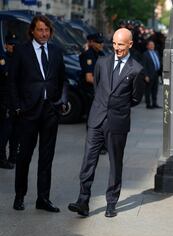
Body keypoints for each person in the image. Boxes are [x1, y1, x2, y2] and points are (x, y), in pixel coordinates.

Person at [68, 28, 145, 218]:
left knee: (115, 163)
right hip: (96, 118)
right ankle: (83, 200)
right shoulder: (102, 62)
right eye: (114, 43)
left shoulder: (137, 69)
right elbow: (98, 86)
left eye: (121, 44)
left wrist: (118, 107)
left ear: (130, 44)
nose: (117, 48)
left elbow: (136, 98)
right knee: (88, 161)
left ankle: (112, 203)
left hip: (117, 122)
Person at [8, 15, 66, 212]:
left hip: (50, 111)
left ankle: (43, 199)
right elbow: (12, 82)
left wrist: (62, 101)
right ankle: (19, 196)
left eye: (47, 30)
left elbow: (63, 80)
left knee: (46, 158)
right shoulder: (21, 52)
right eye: (40, 30)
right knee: (24, 156)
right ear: (32, 31)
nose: (44, 34)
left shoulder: (57, 51)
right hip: (27, 112)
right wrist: (17, 106)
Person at [0, 33, 19, 169]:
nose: (14, 46)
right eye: (11, 44)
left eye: (15, 44)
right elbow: (7, 74)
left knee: (16, 132)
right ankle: (1, 159)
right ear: (6, 45)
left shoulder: (18, 59)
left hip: (16, 102)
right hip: (5, 101)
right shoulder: (3, 59)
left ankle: (13, 157)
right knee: (4, 133)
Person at [142, 40, 161, 109]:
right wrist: (146, 75)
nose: (152, 46)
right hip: (149, 74)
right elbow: (144, 65)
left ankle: (154, 103)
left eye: (153, 44)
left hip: (156, 73)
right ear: (147, 46)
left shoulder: (156, 52)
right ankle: (148, 104)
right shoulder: (145, 54)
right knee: (148, 90)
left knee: (155, 89)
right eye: (150, 45)